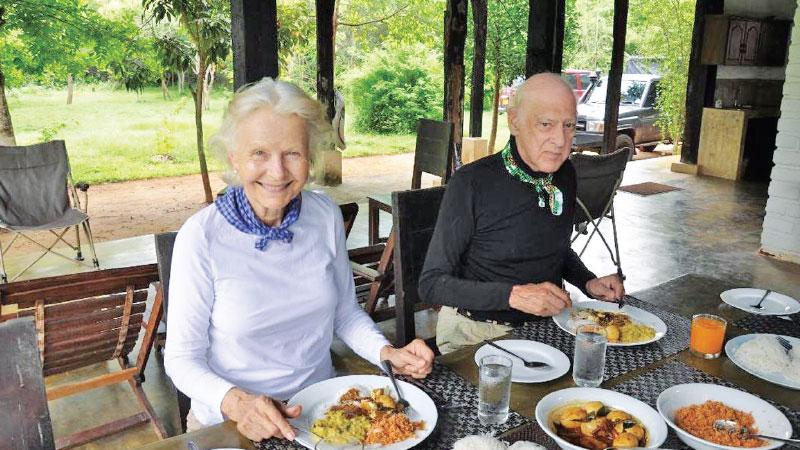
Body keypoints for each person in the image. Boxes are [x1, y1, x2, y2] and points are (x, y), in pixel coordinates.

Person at [164, 78, 434, 442]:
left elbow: (344, 313)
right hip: (230, 424)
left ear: (310, 156)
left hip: (318, 413)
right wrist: (237, 403)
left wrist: (386, 352)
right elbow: (181, 359)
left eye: (292, 153)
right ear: (234, 158)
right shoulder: (201, 238)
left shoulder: (323, 215)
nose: (277, 172)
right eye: (259, 153)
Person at [418, 73, 625, 354]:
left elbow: (556, 249)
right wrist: (513, 296)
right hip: (477, 331)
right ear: (514, 121)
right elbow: (431, 285)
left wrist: (588, 281)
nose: (559, 140)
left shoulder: (564, 174)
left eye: (568, 126)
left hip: (548, 326)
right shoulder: (472, 183)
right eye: (545, 125)